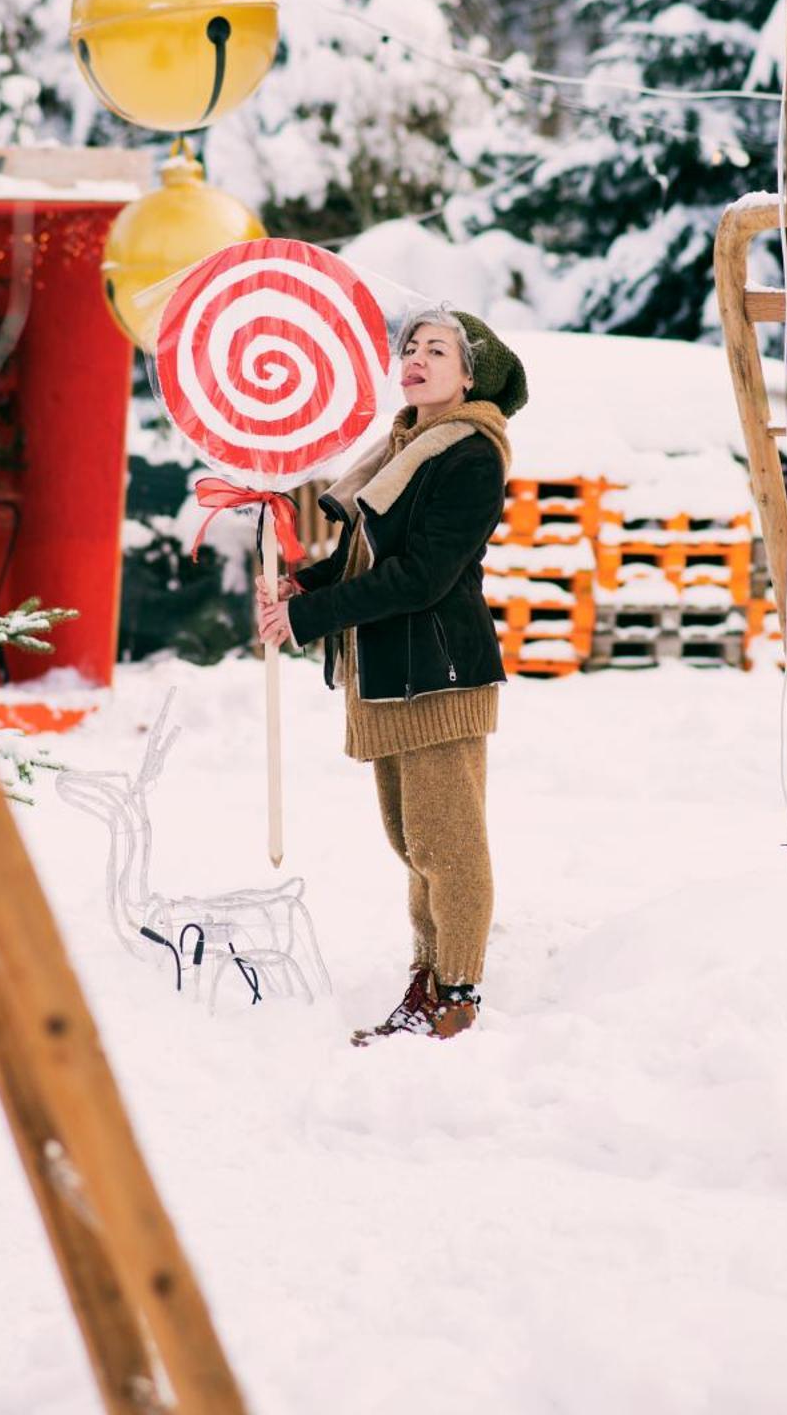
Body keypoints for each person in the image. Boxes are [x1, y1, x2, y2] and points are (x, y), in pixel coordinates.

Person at [256, 306, 527, 1044]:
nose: (415, 357)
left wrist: (313, 620)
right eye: (410, 346)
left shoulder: (469, 454)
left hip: (436, 670)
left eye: (436, 349)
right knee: (414, 846)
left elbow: (422, 577)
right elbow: (366, 558)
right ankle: (428, 974)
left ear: (470, 377)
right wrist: (305, 588)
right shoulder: (402, 447)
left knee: (448, 847)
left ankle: (457, 993)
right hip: (390, 672)